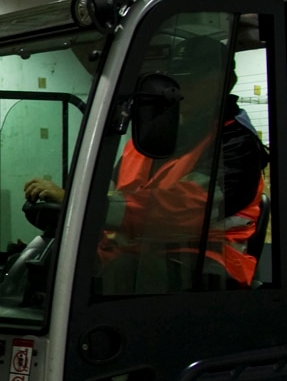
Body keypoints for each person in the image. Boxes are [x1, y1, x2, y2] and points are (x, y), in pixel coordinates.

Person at [23, 35, 267, 291]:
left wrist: (79, 203)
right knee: (48, 265)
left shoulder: (236, 145)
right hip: (140, 251)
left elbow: (184, 210)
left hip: (207, 261)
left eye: (195, 77)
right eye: (179, 77)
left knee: (125, 273)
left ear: (224, 82)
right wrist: (70, 208)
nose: (184, 85)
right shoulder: (150, 139)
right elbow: (111, 191)